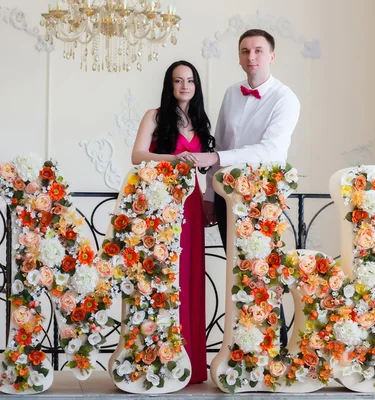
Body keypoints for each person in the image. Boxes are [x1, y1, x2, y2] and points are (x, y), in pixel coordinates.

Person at [193, 29, 301, 345]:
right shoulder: (231, 93)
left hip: (261, 201)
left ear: (272, 55)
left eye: (257, 51)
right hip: (228, 198)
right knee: (237, 277)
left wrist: (215, 156)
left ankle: (274, 351)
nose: (250, 57)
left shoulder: (285, 98)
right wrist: (210, 195)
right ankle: (243, 350)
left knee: (262, 277)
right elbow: (223, 142)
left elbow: (270, 151)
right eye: (244, 51)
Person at [131, 60, 214, 384]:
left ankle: (189, 364)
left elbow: (206, 167)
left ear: (196, 86)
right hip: (161, 205)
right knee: (165, 277)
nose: (184, 86)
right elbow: (137, 155)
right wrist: (173, 159)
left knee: (190, 274)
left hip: (191, 203)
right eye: (178, 81)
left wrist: (207, 199)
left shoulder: (200, 121)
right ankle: (158, 358)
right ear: (169, 85)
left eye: (190, 81)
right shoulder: (154, 116)